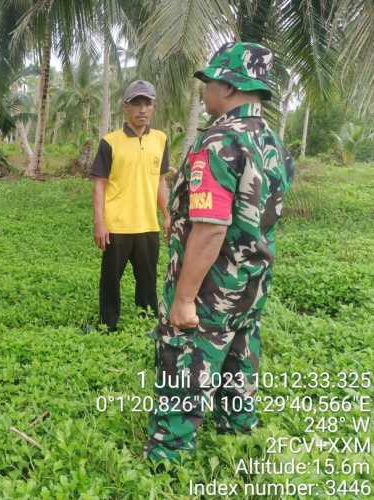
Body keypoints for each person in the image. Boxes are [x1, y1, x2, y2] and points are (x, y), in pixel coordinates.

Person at [144, 42, 295, 463]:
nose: (204, 90)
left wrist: (185, 297)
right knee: (239, 353)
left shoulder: (218, 142)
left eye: (209, 82)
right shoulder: (273, 144)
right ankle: (237, 439)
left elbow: (210, 229)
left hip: (211, 286)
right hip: (251, 283)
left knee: (185, 359)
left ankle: (168, 454)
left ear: (229, 87)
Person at [90, 80, 170, 332]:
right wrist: (100, 222)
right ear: (125, 107)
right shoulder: (110, 142)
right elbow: (99, 185)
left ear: (153, 107)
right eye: (136, 103)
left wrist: (168, 214)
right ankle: (107, 324)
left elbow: (160, 181)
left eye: (147, 103)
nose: (142, 109)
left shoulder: (160, 139)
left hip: (148, 225)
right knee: (110, 280)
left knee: (147, 280)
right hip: (117, 225)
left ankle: (146, 323)